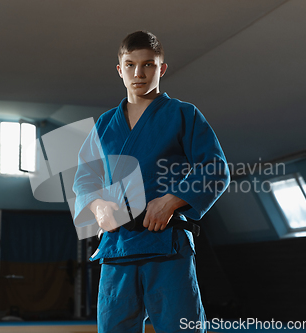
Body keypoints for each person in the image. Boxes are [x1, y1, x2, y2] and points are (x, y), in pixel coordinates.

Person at [72, 30, 230, 333]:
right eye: (130, 65)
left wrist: (172, 200)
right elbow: (85, 176)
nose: (138, 73)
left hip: (167, 245)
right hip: (117, 248)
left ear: (162, 68)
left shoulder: (183, 115)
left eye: (148, 64)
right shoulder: (105, 124)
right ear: (120, 70)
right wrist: (97, 205)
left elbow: (215, 168)